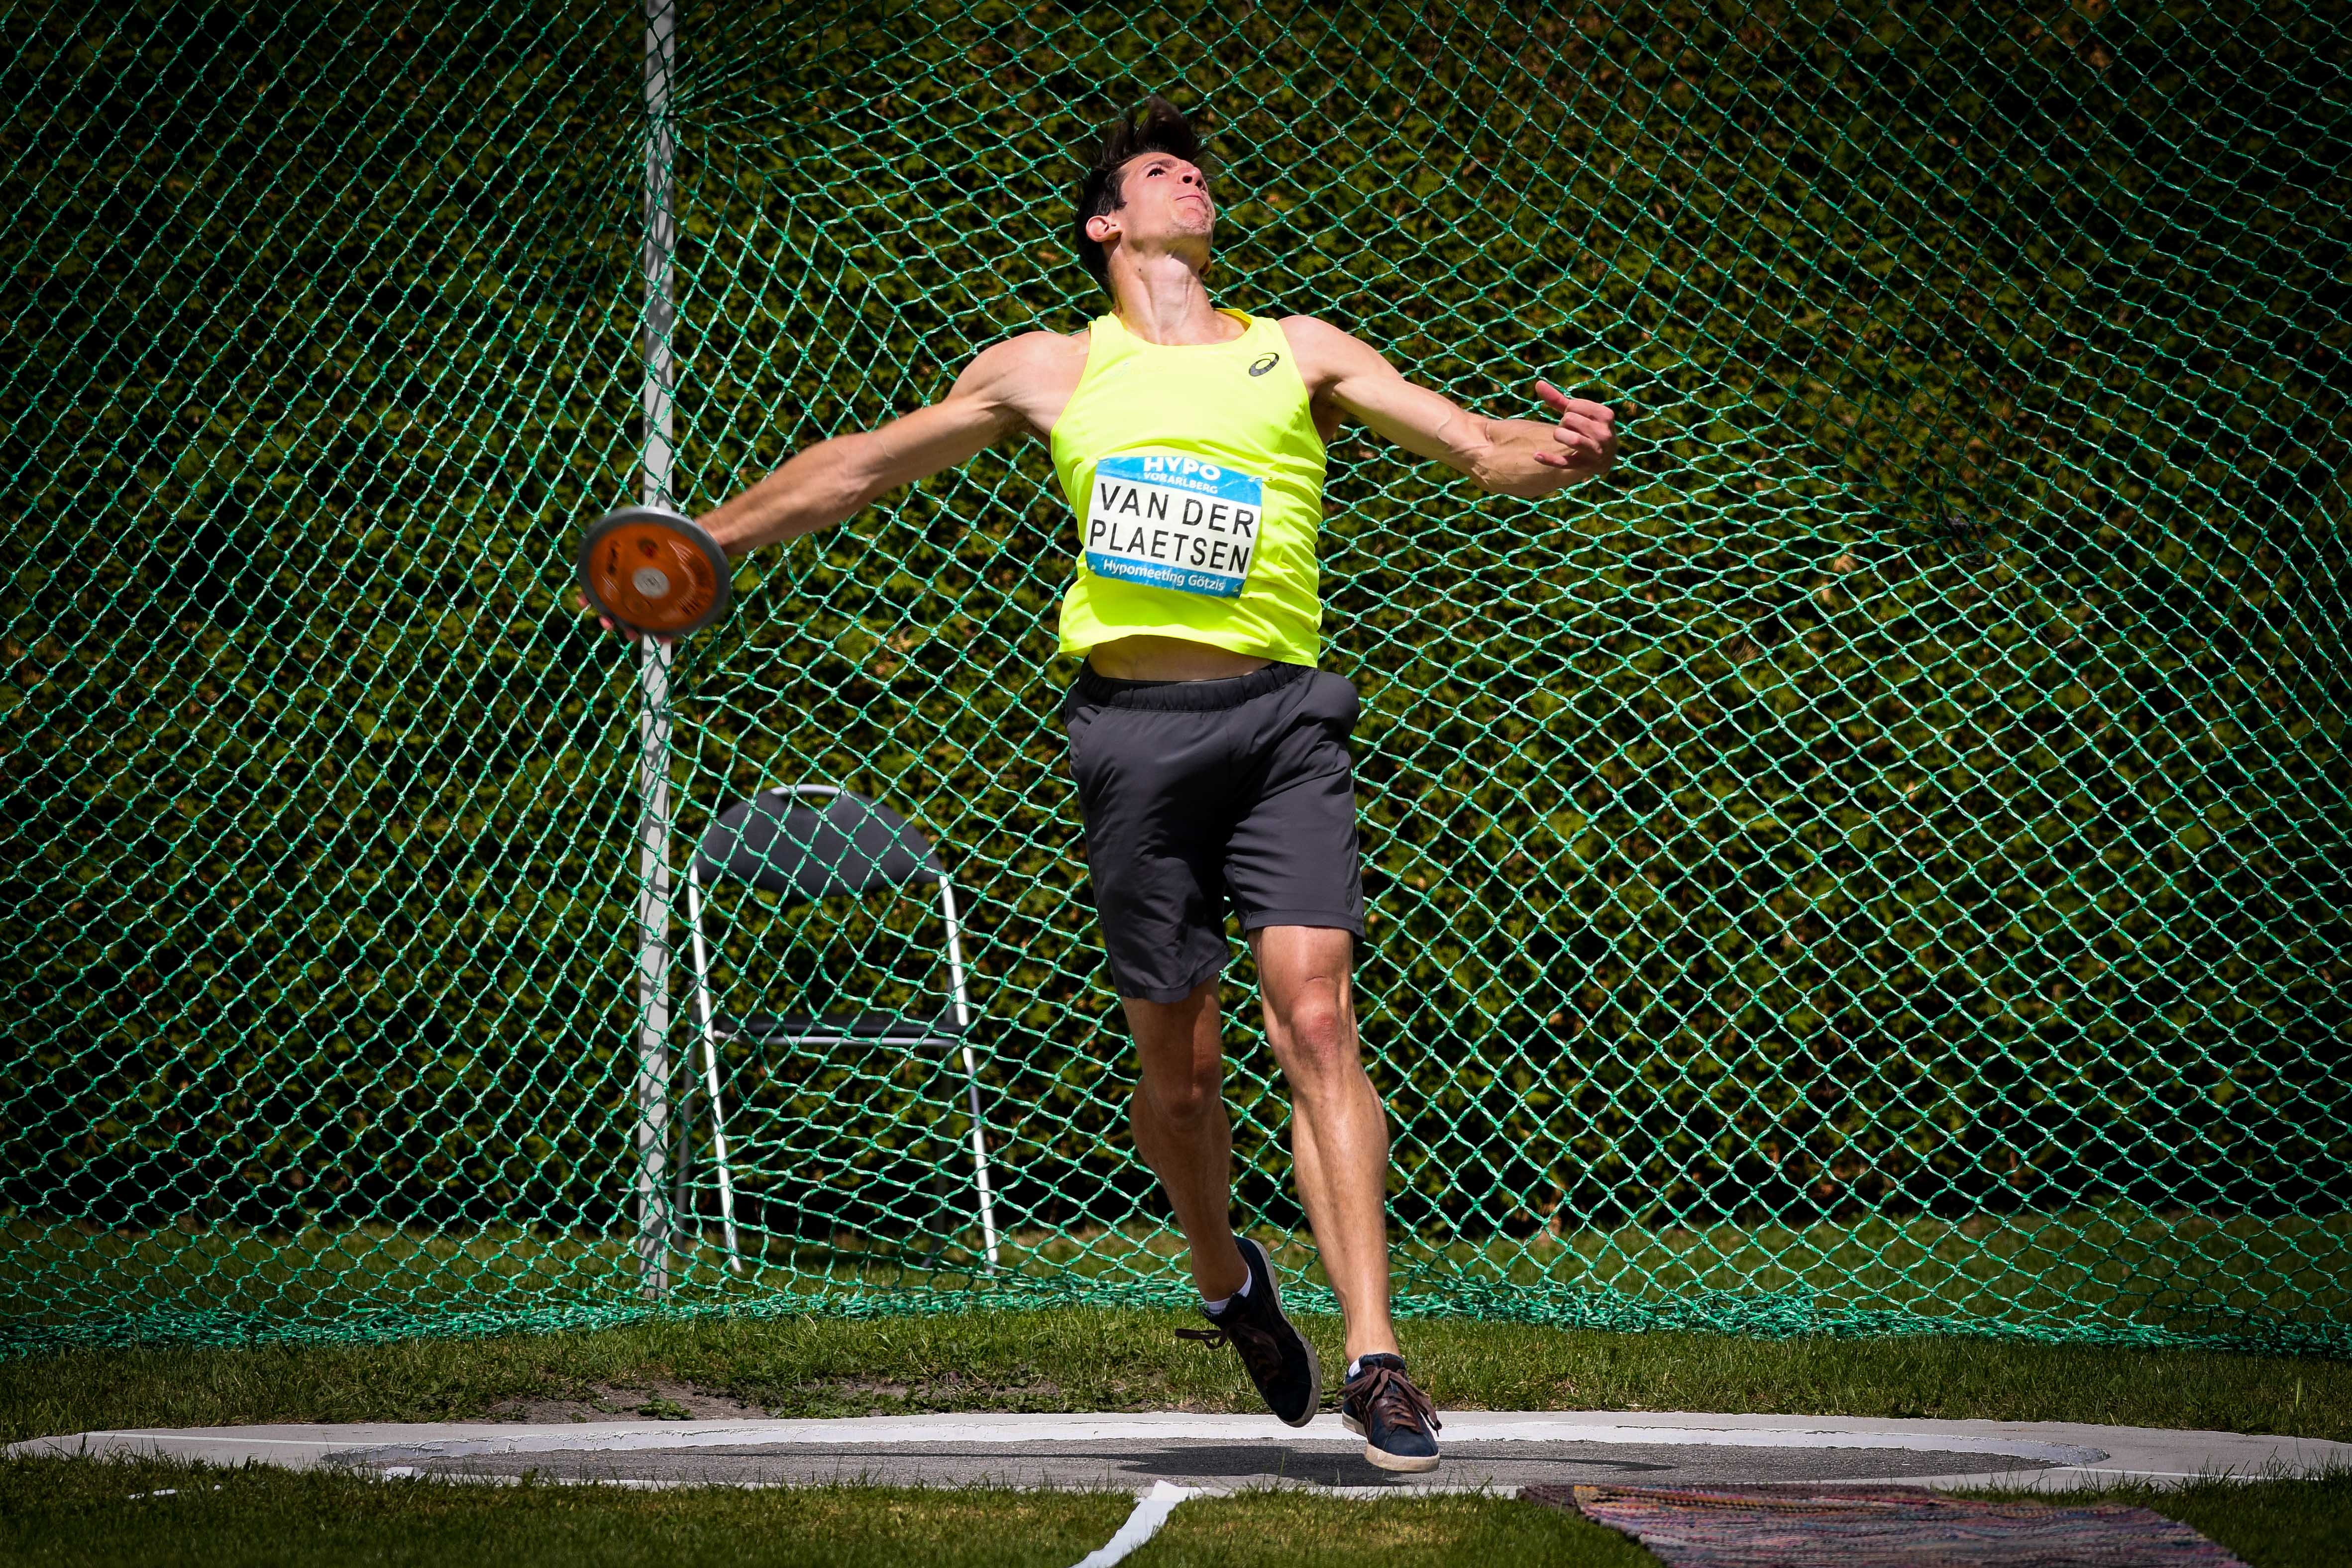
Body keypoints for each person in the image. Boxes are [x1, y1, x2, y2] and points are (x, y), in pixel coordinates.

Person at [589, 96, 1617, 1471]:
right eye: (1158, 169)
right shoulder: (1046, 371)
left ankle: (1378, 1357)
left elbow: (1477, 443)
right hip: (1131, 736)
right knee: (1182, 1083)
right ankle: (1229, 1285)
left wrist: (1553, 452)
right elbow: (856, 471)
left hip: (1284, 719)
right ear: (1105, 222)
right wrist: (695, 541)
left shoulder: (1295, 350)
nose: (1192, 177)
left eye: (1198, 165)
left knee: (1315, 1017)